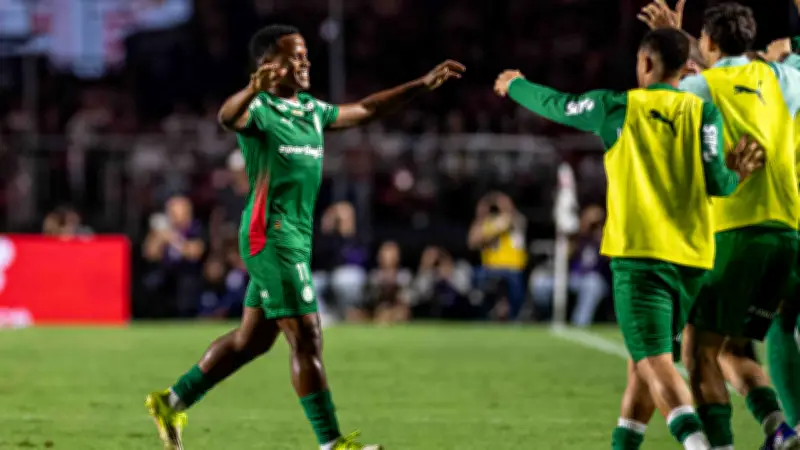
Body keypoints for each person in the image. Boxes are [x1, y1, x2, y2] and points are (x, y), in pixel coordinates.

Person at [144, 24, 464, 450]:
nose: (305, 63)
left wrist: (420, 85)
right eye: (295, 56)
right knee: (308, 337)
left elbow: (367, 109)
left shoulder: (311, 110)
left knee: (250, 341)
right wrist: (251, 89)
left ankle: (171, 400)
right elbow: (226, 117)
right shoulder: (258, 110)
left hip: (294, 238)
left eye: (305, 55)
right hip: (269, 237)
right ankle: (332, 445)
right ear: (270, 66)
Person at [495, 28, 763, 450]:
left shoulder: (616, 107)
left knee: (654, 363)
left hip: (640, 260)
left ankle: (698, 444)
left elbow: (559, 105)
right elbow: (719, 183)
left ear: (645, 63)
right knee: (642, 368)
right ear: (683, 69)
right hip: (692, 261)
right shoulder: (703, 114)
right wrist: (739, 174)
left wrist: (515, 85)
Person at [658, 4, 800, 450]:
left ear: (709, 42)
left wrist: (671, 40)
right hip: (785, 237)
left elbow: (664, 96)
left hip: (736, 233)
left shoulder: (699, 87)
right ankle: (779, 429)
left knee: (697, 353)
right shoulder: (783, 80)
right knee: (733, 349)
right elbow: (757, 70)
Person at [467, 192, 527, 320]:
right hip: (491, 268)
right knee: (475, 277)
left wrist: (502, 201)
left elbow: (509, 220)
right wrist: (482, 212)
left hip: (513, 268)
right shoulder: (487, 223)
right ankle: (484, 314)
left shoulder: (517, 220)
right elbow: (472, 241)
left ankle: (513, 315)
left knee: (514, 287)